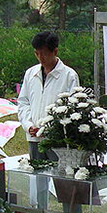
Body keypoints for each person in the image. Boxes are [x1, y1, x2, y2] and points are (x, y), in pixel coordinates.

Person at [17, 31, 80, 159]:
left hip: (57, 141)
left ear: (55, 52)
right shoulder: (30, 74)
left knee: (59, 176)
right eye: (37, 54)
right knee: (37, 176)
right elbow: (23, 102)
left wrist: (51, 129)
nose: (41, 58)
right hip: (34, 138)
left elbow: (73, 110)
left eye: (44, 54)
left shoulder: (69, 76)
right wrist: (29, 126)